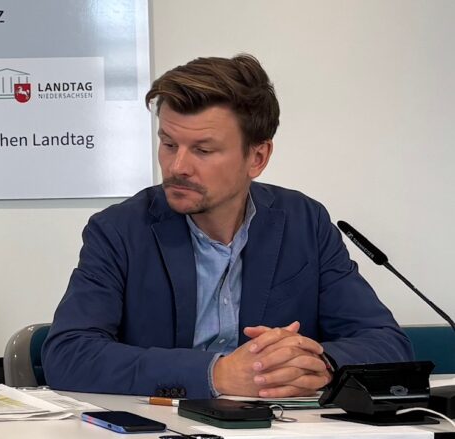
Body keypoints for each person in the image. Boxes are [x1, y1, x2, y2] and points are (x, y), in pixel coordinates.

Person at [41, 54, 413, 399]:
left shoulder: (305, 222)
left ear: (258, 157)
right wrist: (215, 374)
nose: (177, 166)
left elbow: (386, 341)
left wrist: (318, 362)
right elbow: (69, 355)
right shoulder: (119, 230)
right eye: (169, 144)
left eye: (203, 150)